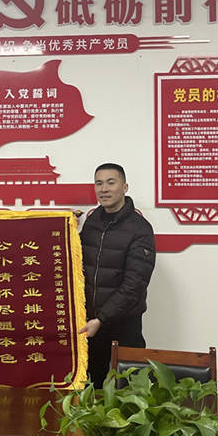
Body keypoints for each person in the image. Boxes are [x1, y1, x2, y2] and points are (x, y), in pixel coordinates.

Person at [78, 163, 156, 388]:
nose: (104, 189)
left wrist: (102, 319)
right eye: (99, 183)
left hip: (123, 327)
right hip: (91, 326)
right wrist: (66, 226)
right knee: (91, 391)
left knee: (127, 393)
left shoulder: (140, 229)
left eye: (111, 182)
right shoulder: (91, 223)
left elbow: (135, 285)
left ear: (125, 187)